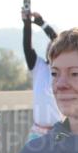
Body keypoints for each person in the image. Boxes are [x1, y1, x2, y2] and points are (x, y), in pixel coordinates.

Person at [21, 9, 63, 140]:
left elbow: (60, 41)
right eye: (48, 47)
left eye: (53, 46)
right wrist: (27, 24)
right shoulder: (38, 67)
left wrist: (42, 23)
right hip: (37, 132)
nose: (50, 48)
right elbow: (27, 47)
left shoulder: (64, 71)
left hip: (60, 133)